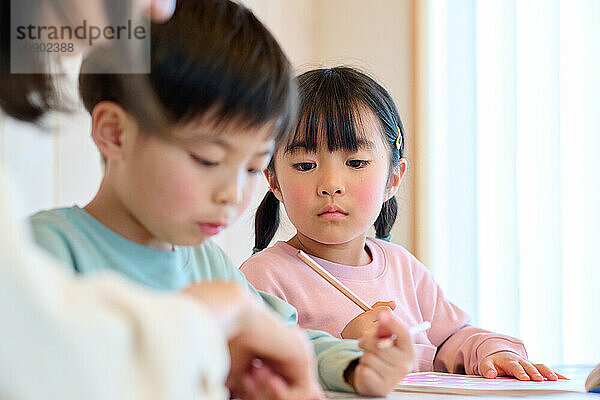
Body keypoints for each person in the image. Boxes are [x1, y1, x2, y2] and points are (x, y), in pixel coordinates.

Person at [28, 1, 415, 397]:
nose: (232, 194)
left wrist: (355, 365)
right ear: (115, 133)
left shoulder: (209, 264)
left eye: (252, 167)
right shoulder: (43, 252)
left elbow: (288, 339)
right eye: (208, 159)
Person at [242, 66, 563, 382]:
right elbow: (258, 374)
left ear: (393, 179)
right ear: (274, 181)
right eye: (305, 164)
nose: (330, 185)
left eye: (355, 162)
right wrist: (345, 351)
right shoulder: (263, 278)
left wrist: (493, 352)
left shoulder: (404, 269)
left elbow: (452, 339)